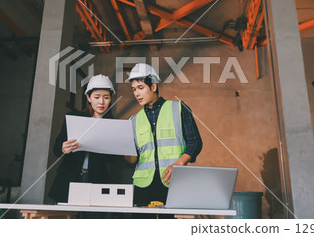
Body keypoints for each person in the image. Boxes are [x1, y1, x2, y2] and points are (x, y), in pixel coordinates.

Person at [125, 63, 202, 217]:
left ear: (153, 87)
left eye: (141, 87)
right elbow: (133, 159)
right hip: (142, 184)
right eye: (134, 89)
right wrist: (124, 152)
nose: (137, 93)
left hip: (172, 181)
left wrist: (178, 164)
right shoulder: (133, 120)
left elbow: (195, 142)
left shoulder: (179, 108)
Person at [48, 74, 115, 218]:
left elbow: (112, 160)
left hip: (96, 180)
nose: (101, 102)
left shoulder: (113, 126)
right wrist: (63, 148)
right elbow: (56, 149)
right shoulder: (74, 118)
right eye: (97, 97)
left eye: (106, 97)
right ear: (89, 98)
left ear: (111, 99)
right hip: (70, 178)